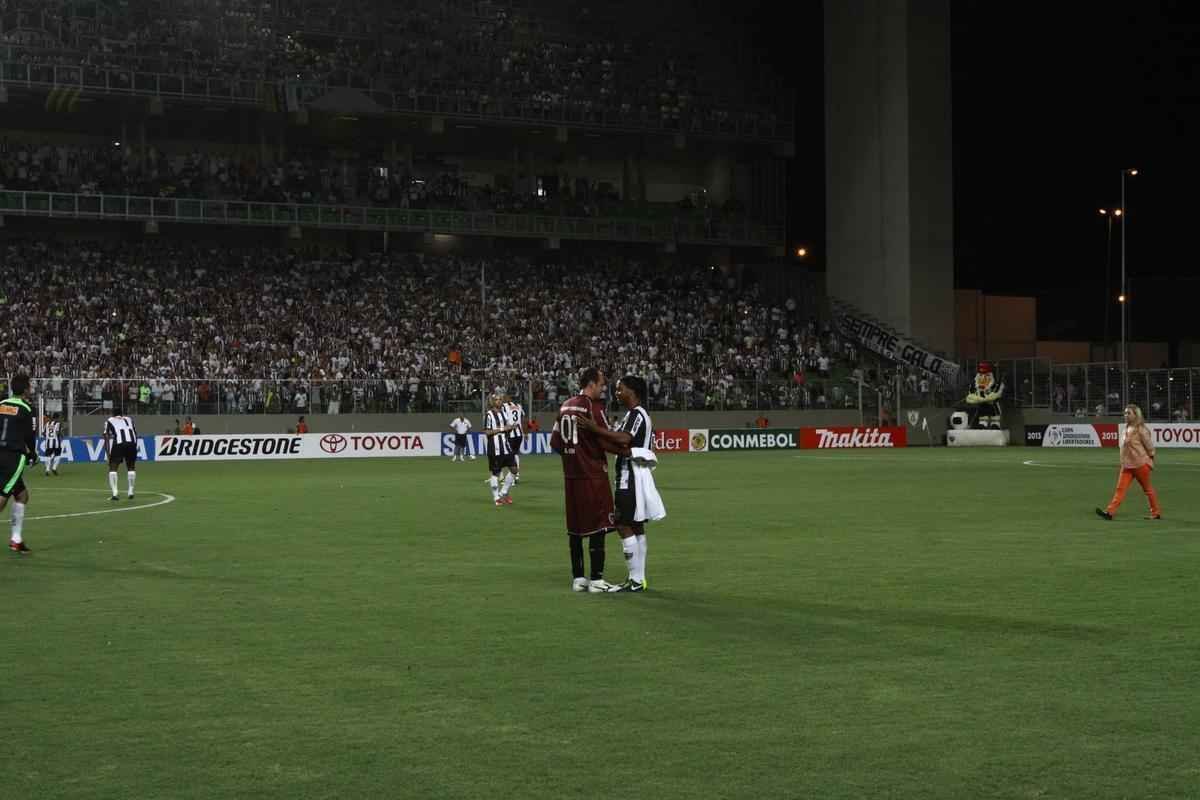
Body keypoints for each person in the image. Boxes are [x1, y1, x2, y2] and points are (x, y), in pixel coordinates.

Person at [579, 375, 666, 592]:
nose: (616, 393)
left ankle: (636, 579)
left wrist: (594, 429)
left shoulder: (637, 414)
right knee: (635, 525)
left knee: (622, 523)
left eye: (620, 389)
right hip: (631, 475)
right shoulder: (632, 414)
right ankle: (638, 579)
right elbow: (621, 445)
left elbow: (624, 440)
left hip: (632, 477)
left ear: (632, 391)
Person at [550, 367, 617, 593]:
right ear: (591, 384)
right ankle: (597, 580)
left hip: (571, 476)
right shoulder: (592, 407)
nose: (604, 388)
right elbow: (606, 436)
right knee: (599, 525)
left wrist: (573, 457)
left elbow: (556, 443)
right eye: (601, 384)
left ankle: (578, 579)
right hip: (593, 474)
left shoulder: (565, 405)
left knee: (575, 527)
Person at [1097, 403, 1161, 520]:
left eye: (1129, 413)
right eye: (1125, 413)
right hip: (1126, 465)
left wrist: (1150, 460)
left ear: (1136, 415)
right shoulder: (1126, 428)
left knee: (1148, 490)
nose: (1125, 415)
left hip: (1140, 465)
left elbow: (1150, 447)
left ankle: (1156, 513)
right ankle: (1109, 512)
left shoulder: (1140, 429)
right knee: (1120, 490)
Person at [0, 374, 37, 553]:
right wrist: (33, 453)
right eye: (29, 386)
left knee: (22, 495)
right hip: (13, 456)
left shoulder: (1, 404)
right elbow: (29, 435)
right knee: (3, 495)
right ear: (24, 390)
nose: (30, 389)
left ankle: (16, 539)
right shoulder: (26, 408)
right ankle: (16, 539)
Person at [483, 394, 517, 506]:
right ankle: (496, 497)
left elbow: (507, 428)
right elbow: (487, 432)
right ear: (492, 402)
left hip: (506, 446)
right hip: (495, 447)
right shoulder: (489, 415)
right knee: (496, 473)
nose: (499, 401)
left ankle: (504, 492)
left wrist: (511, 428)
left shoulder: (503, 413)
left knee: (514, 469)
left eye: (500, 399)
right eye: (496, 400)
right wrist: (503, 428)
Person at [104, 411, 139, 501]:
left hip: (119, 443)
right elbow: (135, 433)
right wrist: (135, 446)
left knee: (113, 467)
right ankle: (131, 491)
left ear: (112, 414)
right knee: (131, 467)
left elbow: (106, 436)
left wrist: (108, 454)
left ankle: (115, 493)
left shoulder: (110, 420)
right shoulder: (129, 419)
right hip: (132, 443)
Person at [502, 394, 524, 483]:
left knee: (509, 455)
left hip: (511, 434)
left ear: (509, 398)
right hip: (519, 433)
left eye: (505, 398)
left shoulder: (505, 406)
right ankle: (516, 475)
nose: (503, 399)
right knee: (515, 454)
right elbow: (522, 416)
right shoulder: (519, 406)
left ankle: (511, 476)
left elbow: (503, 418)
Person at [43, 411, 63, 476]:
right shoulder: (58, 423)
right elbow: (58, 433)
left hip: (48, 443)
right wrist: (62, 435)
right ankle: (54, 468)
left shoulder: (47, 424)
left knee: (47, 455)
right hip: (56, 442)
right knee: (58, 454)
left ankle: (47, 470)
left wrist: (48, 437)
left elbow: (43, 433)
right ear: (57, 418)